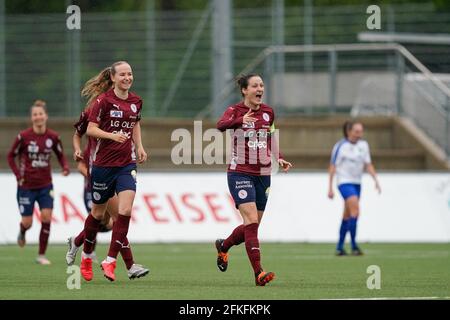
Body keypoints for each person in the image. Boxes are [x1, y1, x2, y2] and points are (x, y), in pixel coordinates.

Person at [73, 61, 149, 282]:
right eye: (123, 74)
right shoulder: (102, 101)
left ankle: (110, 260)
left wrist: (140, 146)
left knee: (124, 211)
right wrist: (111, 136)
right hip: (102, 166)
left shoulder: (136, 101)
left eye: (130, 74)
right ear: (113, 78)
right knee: (97, 215)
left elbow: (135, 123)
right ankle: (86, 256)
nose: (127, 77)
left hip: (126, 164)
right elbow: (90, 129)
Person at [215, 73, 292, 286]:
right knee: (251, 221)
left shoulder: (268, 113)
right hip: (239, 173)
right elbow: (220, 126)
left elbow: (271, 138)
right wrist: (240, 120)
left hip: (263, 175)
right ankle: (258, 273)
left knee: (252, 226)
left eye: (262, 85)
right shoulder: (235, 110)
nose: (260, 89)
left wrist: (280, 158)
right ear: (245, 90)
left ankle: (224, 246)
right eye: (255, 86)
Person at [7, 100, 70, 265]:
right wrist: (16, 175)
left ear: (46, 116)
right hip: (26, 186)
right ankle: (22, 231)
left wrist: (65, 167)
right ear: (32, 117)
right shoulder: (23, 137)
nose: (38, 117)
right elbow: (10, 156)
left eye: (40, 114)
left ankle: (41, 255)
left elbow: (60, 154)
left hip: (45, 185)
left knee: (46, 217)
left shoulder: (53, 137)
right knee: (27, 222)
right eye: (35, 115)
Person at [328, 120, 381, 256]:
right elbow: (333, 166)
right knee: (356, 210)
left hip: (357, 183)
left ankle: (339, 247)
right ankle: (354, 246)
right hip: (344, 182)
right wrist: (330, 187)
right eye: (357, 131)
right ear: (349, 131)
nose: (359, 134)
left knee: (347, 214)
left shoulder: (363, 145)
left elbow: (368, 164)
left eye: (361, 131)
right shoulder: (340, 146)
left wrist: (376, 180)